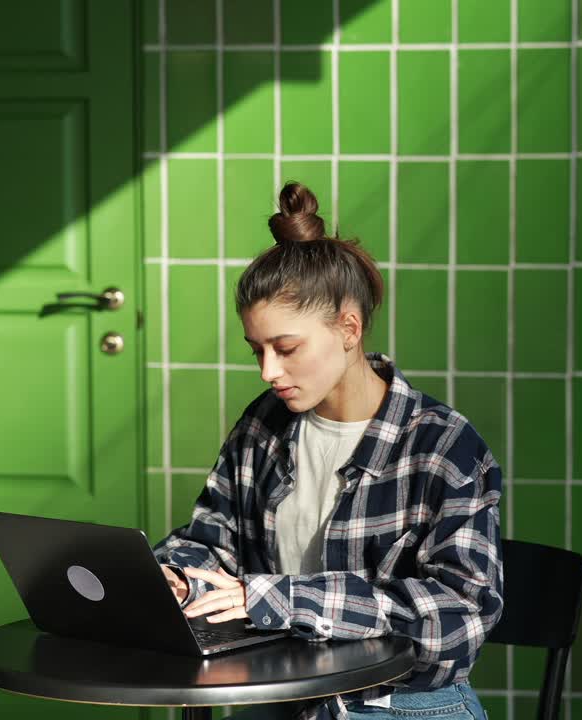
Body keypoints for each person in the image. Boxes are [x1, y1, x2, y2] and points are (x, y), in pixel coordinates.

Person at [153, 182, 503, 720]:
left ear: (348, 328)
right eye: (258, 351)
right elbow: (212, 542)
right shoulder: (263, 427)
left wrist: (280, 599)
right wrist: (178, 577)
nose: (269, 372)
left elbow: (460, 620)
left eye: (286, 349)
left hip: (401, 708)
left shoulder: (443, 448)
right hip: (283, 700)